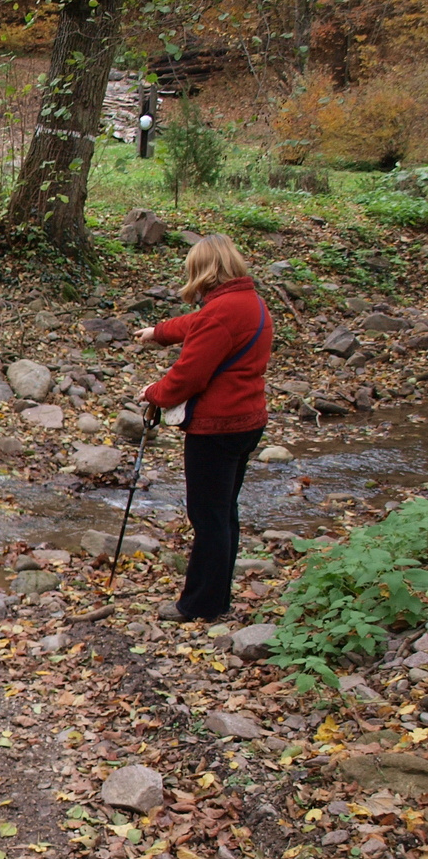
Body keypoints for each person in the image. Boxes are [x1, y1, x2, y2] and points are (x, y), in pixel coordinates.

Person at [135, 234, 270, 622]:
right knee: (224, 512)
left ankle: (200, 606)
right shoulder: (251, 303)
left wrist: (153, 393)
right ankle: (218, 597)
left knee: (208, 516)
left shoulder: (220, 312)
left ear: (205, 271)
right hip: (247, 423)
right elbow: (197, 325)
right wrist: (158, 333)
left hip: (217, 428)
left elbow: (188, 377)